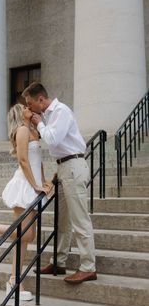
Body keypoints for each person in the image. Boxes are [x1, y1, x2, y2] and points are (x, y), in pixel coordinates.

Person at [0, 103, 52, 300]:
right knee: (26, 235)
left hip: (33, 185)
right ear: (19, 113)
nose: (29, 107)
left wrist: (44, 181)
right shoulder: (22, 131)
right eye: (24, 106)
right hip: (24, 185)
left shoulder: (32, 131)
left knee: (23, 237)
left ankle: (14, 282)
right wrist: (36, 185)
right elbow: (23, 161)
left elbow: (37, 161)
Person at [22, 82, 97, 284]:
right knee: (62, 221)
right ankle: (59, 261)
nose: (29, 108)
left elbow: (53, 140)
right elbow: (60, 147)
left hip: (73, 167)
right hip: (65, 168)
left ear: (40, 99)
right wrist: (58, 170)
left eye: (30, 103)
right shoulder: (48, 116)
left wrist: (38, 123)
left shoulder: (60, 111)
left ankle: (88, 267)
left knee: (80, 219)